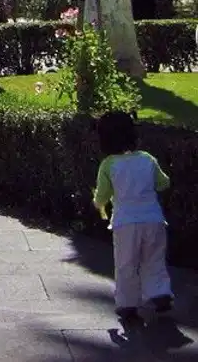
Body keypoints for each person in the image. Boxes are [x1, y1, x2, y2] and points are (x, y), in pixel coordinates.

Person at [93, 110, 173, 321]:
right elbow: (163, 183)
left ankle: (128, 304)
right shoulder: (147, 159)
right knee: (154, 258)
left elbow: (102, 195)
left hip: (125, 223)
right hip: (154, 219)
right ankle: (160, 292)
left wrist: (97, 203)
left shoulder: (108, 164)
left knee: (126, 264)